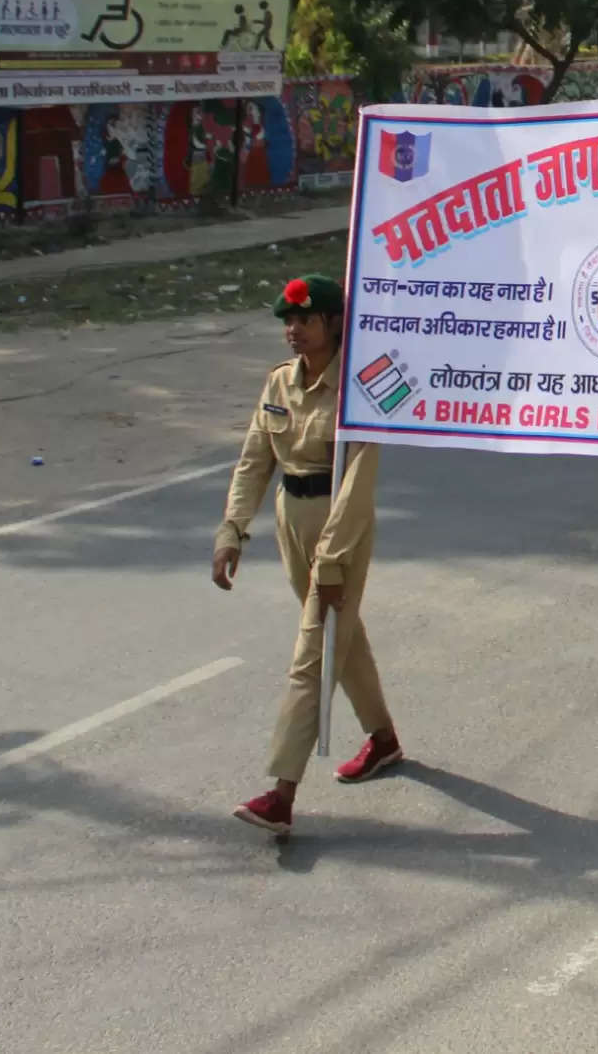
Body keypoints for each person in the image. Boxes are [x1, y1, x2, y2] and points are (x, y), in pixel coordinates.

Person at [214, 275, 400, 838]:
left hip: (338, 524)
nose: (293, 331)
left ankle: (281, 792)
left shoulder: (366, 384)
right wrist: (232, 530)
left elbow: (360, 482)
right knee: (342, 634)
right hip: (290, 519)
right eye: (288, 322)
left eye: (305, 321)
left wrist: (335, 561)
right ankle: (385, 740)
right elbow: (254, 460)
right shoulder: (279, 383)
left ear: (335, 324)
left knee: (313, 649)